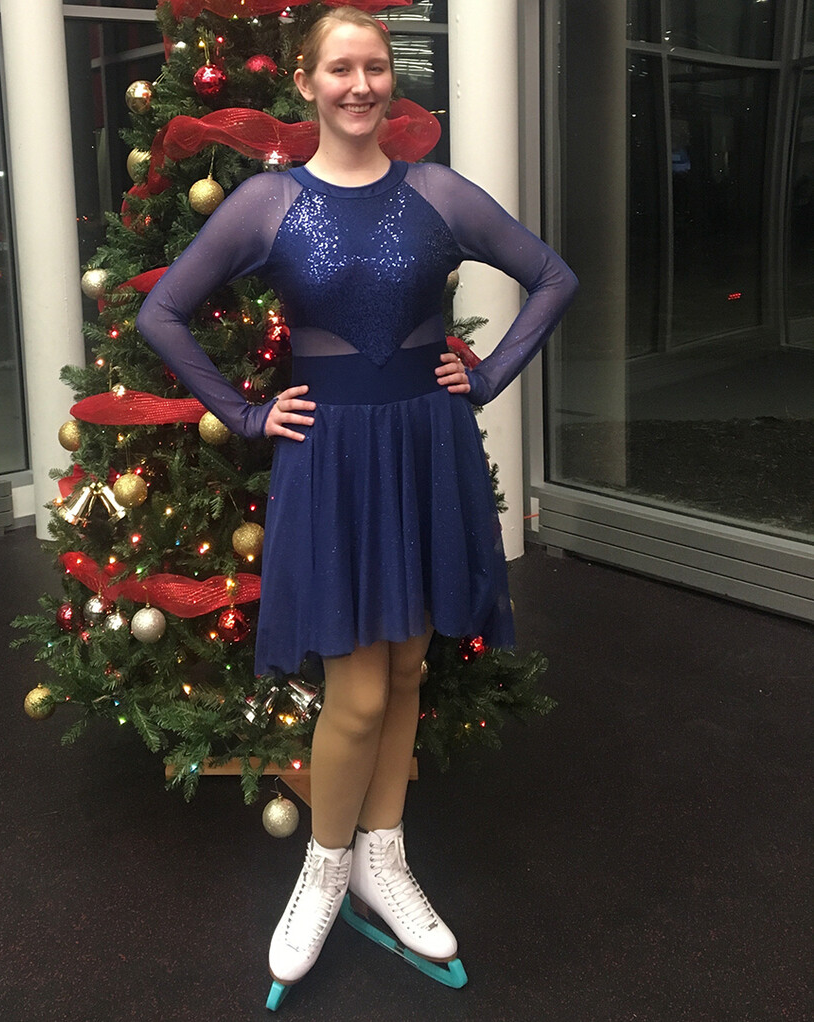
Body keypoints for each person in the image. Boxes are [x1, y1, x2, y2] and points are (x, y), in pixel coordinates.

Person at [136, 4, 578, 995]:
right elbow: (160, 311)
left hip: (427, 446)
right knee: (360, 688)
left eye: (375, 67)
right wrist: (243, 415)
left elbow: (551, 276)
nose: (360, 85)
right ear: (306, 83)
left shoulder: (436, 191)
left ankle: (385, 857)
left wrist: (493, 371)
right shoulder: (265, 201)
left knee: (411, 666)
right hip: (330, 457)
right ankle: (323, 867)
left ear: (391, 81)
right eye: (340, 68)